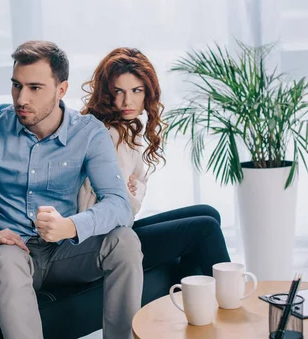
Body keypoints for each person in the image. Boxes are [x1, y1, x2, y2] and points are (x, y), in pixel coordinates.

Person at [0, 41, 143, 339]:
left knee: (125, 242)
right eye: (16, 86)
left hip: (64, 253)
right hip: (7, 256)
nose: (21, 99)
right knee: (6, 257)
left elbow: (119, 204)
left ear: (61, 89)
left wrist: (71, 226)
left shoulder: (89, 133)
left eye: (35, 88)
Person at [79, 47, 231, 278]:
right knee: (205, 229)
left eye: (136, 91)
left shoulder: (125, 128)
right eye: (118, 91)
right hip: (102, 242)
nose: (127, 101)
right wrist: (135, 191)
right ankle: (230, 301)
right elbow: (124, 209)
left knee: (208, 213)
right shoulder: (109, 134)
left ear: (147, 93)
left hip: (117, 231)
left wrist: (131, 189)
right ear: (106, 94)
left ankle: (196, 299)